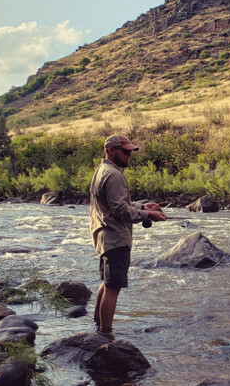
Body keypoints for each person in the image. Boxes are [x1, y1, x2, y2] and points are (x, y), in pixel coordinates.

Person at [89, 134, 167, 339]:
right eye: (125, 151)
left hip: (104, 237)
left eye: (130, 151)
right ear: (111, 150)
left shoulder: (101, 170)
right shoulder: (114, 174)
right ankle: (106, 334)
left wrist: (142, 206)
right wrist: (148, 215)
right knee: (113, 287)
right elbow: (120, 211)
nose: (129, 155)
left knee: (106, 283)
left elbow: (118, 204)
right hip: (115, 238)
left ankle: (98, 327)